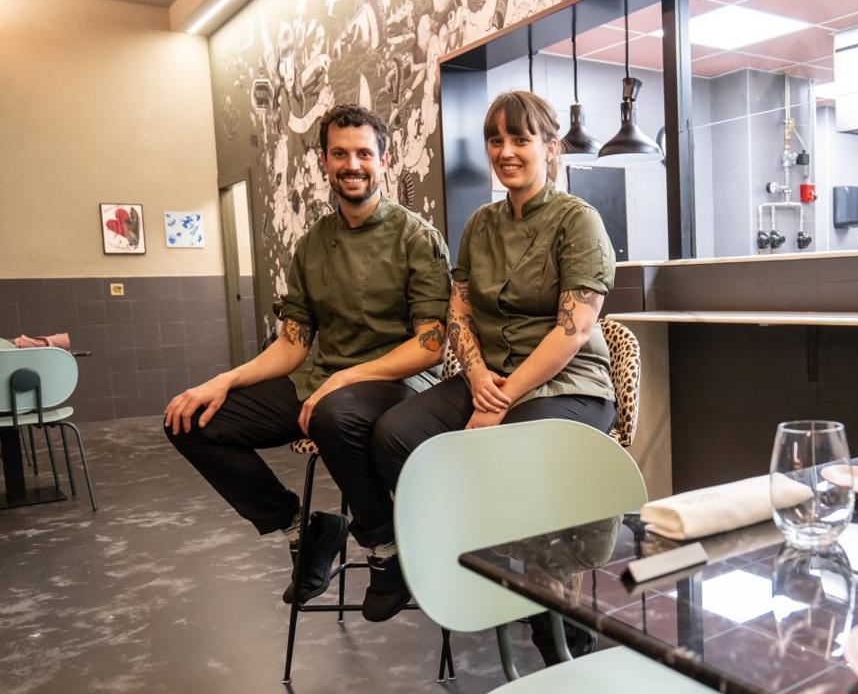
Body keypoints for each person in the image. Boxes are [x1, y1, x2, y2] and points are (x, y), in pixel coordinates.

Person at [165, 104, 451, 622]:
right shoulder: (313, 244)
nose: (352, 164)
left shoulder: (417, 237)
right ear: (324, 161)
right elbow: (294, 344)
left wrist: (343, 377)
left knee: (333, 414)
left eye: (364, 153)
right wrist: (222, 380)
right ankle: (306, 529)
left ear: (384, 160)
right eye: (340, 153)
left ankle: (384, 550)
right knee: (191, 421)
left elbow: (430, 345)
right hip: (319, 382)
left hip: (398, 380)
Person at [370, 90, 617, 654]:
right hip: (492, 378)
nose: (506, 151)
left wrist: (498, 402)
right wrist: (478, 376)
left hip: (569, 383)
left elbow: (573, 330)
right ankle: (458, 554)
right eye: (496, 140)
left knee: (512, 453)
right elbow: (458, 307)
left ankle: (557, 633)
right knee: (393, 435)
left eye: (520, 139)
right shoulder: (480, 225)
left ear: (550, 149)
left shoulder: (578, 222)